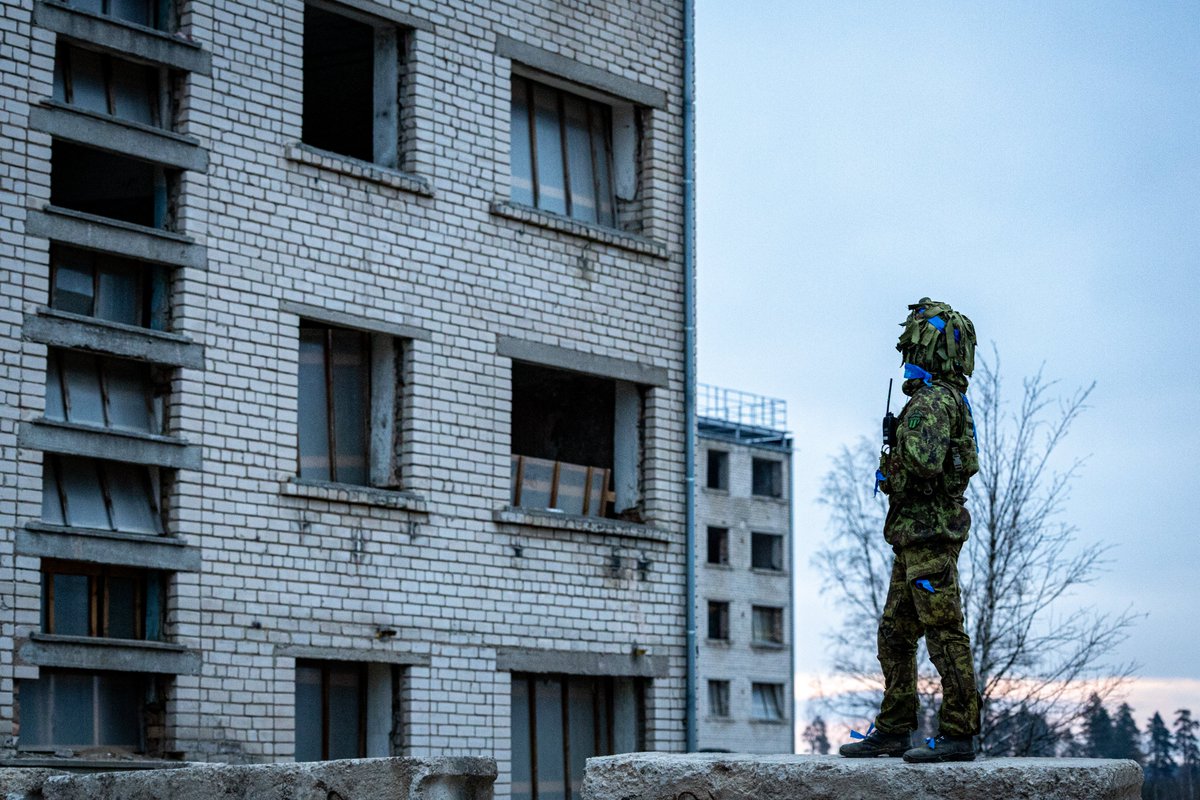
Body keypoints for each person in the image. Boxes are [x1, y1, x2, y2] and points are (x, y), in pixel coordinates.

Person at [839, 298, 982, 764]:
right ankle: (895, 727)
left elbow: (922, 464)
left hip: (928, 537)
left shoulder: (933, 402)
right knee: (895, 634)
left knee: (942, 631)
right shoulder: (945, 399)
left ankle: (960, 731)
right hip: (916, 537)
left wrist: (892, 462)